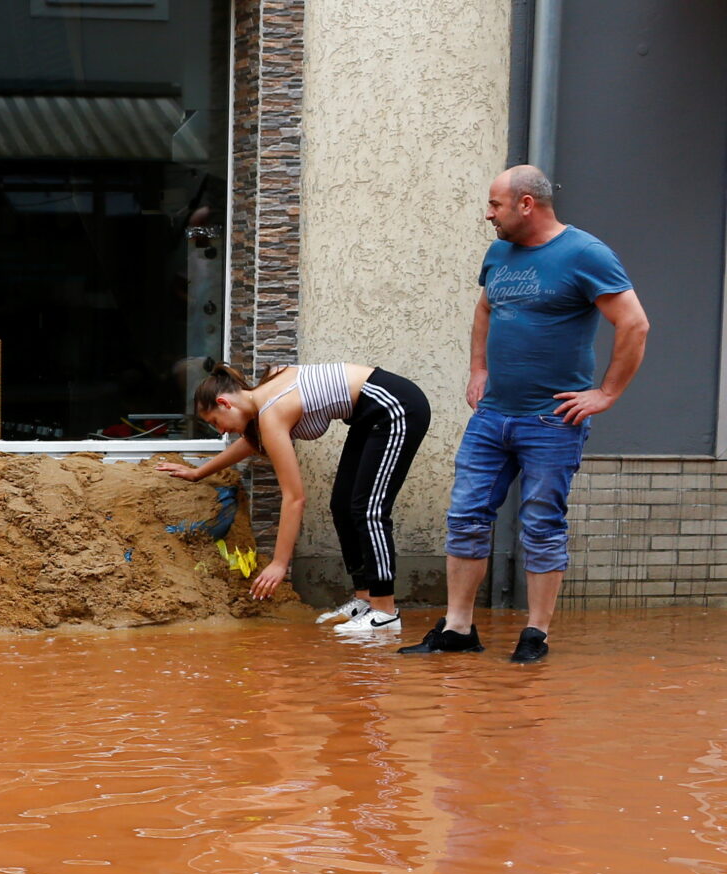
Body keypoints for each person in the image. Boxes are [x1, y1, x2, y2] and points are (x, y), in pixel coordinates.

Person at [401, 165, 648, 664]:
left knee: (541, 523)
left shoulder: (585, 254)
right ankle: (458, 628)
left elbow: (634, 324)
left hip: (551, 421)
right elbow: (486, 308)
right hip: (493, 416)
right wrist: (478, 368)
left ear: (526, 204)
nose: (487, 214)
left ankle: (535, 633)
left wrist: (605, 394)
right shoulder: (499, 253)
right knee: (466, 517)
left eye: (495, 205)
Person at [157, 360, 432, 635]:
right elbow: (252, 442)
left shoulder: (272, 410)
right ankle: (365, 599)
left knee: (368, 510)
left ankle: (384, 611)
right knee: (342, 505)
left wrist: (279, 564)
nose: (221, 431)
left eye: (216, 422)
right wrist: (199, 473)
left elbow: (294, 498)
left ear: (225, 403)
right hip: (367, 415)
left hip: (395, 405)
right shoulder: (266, 391)